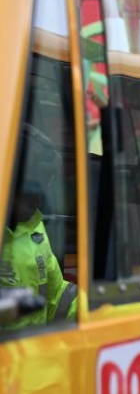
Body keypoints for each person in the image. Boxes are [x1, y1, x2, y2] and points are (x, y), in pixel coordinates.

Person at [0, 125, 77, 328]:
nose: (38, 203)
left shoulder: (35, 227)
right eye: (31, 193)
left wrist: (97, 309)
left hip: (35, 346)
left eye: (43, 192)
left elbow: (57, 296)